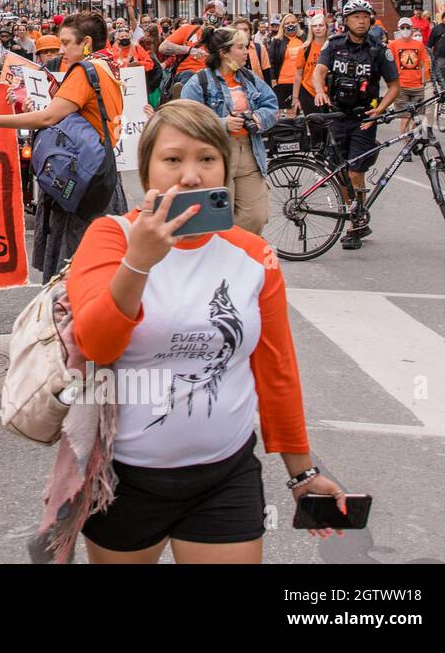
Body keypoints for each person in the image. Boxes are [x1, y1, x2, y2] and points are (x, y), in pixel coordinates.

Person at [57, 100, 346, 564]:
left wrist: (302, 473)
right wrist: (139, 261)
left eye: (207, 159)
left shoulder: (253, 254)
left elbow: (275, 369)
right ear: (147, 168)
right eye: (173, 160)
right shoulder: (109, 237)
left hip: (225, 478)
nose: (190, 176)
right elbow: (96, 343)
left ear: (225, 169)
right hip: (125, 482)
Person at [0, 12, 126, 282]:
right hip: (102, 174)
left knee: (73, 264)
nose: (62, 50)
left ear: (86, 42)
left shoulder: (84, 71)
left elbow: (49, 117)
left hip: (80, 178)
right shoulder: (108, 66)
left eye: (66, 43)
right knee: (101, 260)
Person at [312, 0, 400, 250]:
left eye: (365, 17)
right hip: (337, 116)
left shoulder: (379, 49)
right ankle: (353, 209)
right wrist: (320, 90)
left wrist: (379, 111)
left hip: (364, 118)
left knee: (355, 171)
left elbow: (394, 86)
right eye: (355, 17)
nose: (361, 21)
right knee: (340, 173)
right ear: (346, 21)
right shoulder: (334, 44)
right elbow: (318, 71)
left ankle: (356, 223)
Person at [179, 27, 278, 234]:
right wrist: (222, 124)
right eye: (240, 47)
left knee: (256, 216)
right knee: (219, 218)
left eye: (246, 46)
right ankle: (225, 254)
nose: (246, 52)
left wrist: (257, 118)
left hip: (250, 152)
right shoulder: (199, 82)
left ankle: (239, 251)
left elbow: (271, 105)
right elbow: (187, 121)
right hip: (215, 156)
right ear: (224, 52)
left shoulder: (248, 78)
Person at [387, 17, 432, 141]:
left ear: (412, 29)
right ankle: (406, 145)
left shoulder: (419, 44)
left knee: (418, 117)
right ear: (398, 29)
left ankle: (413, 139)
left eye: (408, 27)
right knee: (405, 118)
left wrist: (423, 80)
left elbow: (423, 63)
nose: (405, 30)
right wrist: (392, 82)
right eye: (403, 27)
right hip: (401, 87)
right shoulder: (393, 45)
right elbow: (388, 63)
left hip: (417, 86)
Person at [289, 12, 329, 117]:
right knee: (314, 128)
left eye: (321, 25)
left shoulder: (333, 47)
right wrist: (295, 98)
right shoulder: (305, 48)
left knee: (330, 130)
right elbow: (298, 75)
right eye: (314, 26)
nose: (318, 28)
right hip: (308, 92)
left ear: (326, 27)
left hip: (329, 94)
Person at [267, 14, 303, 109]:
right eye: (287, 23)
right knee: (285, 112)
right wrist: (273, 80)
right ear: (283, 26)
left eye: (293, 22)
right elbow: (271, 62)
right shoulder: (277, 41)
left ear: (297, 24)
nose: (290, 25)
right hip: (283, 82)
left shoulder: (303, 39)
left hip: (302, 83)